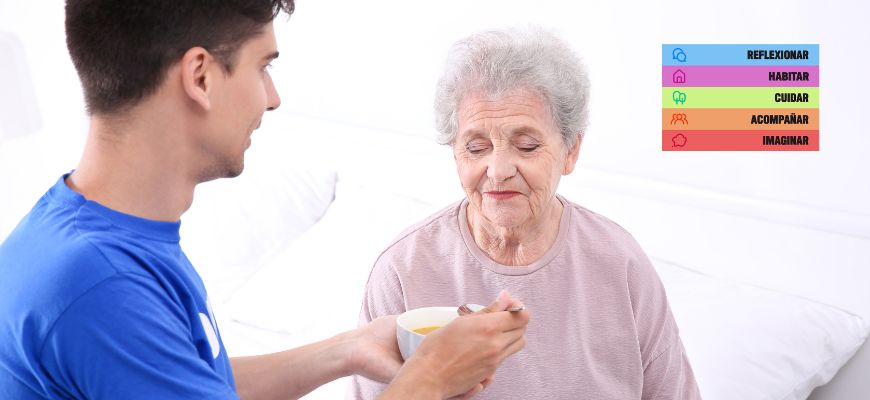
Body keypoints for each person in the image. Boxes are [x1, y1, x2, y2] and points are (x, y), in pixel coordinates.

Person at [0, 1, 530, 399]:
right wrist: (429, 379)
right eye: (263, 66)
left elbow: (185, 378)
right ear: (200, 76)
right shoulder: (103, 286)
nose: (272, 98)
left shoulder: (84, 229)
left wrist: (348, 350)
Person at [348, 27, 701, 399]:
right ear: (455, 153)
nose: (498, 170)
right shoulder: (403, 269)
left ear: (570, 151)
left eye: (527, 145)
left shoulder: (620, 262)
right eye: (477, 147)